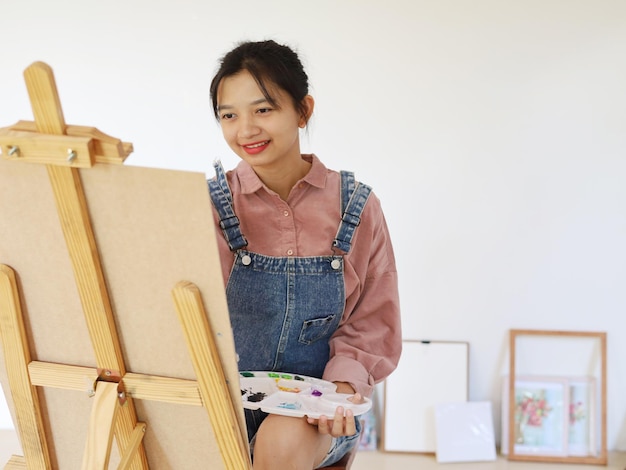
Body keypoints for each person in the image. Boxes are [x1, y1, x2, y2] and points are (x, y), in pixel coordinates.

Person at [207, 39, 401, 469]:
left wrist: (344, 391)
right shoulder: (209, 207)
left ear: (303, 110)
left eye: (263, 109)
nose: (246, 130)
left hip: (313, 409)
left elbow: (371, 322)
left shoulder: (357, 206)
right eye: (229, 115)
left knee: (282, 440)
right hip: (218, 400)